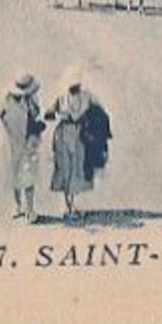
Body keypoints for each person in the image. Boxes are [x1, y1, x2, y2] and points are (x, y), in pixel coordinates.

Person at [45, 76, 108, 222]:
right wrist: (59, 115)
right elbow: (48, 113)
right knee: (65, 168)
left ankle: (72, 205)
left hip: (80, 135)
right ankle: (67, 206)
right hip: (63, 134)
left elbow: (100, 110)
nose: (75, 88)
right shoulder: (61, 97)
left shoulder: (87, 96)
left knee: (77, 168)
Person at [0, 74, 44, 223]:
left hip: (28, 142)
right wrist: (0, 117)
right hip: (10, 142)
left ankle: (30, 209)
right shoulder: (5, 99)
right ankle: (17, 205)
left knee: (28, 175)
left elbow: (37, 118)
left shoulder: (32, 101)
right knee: (13, 174)